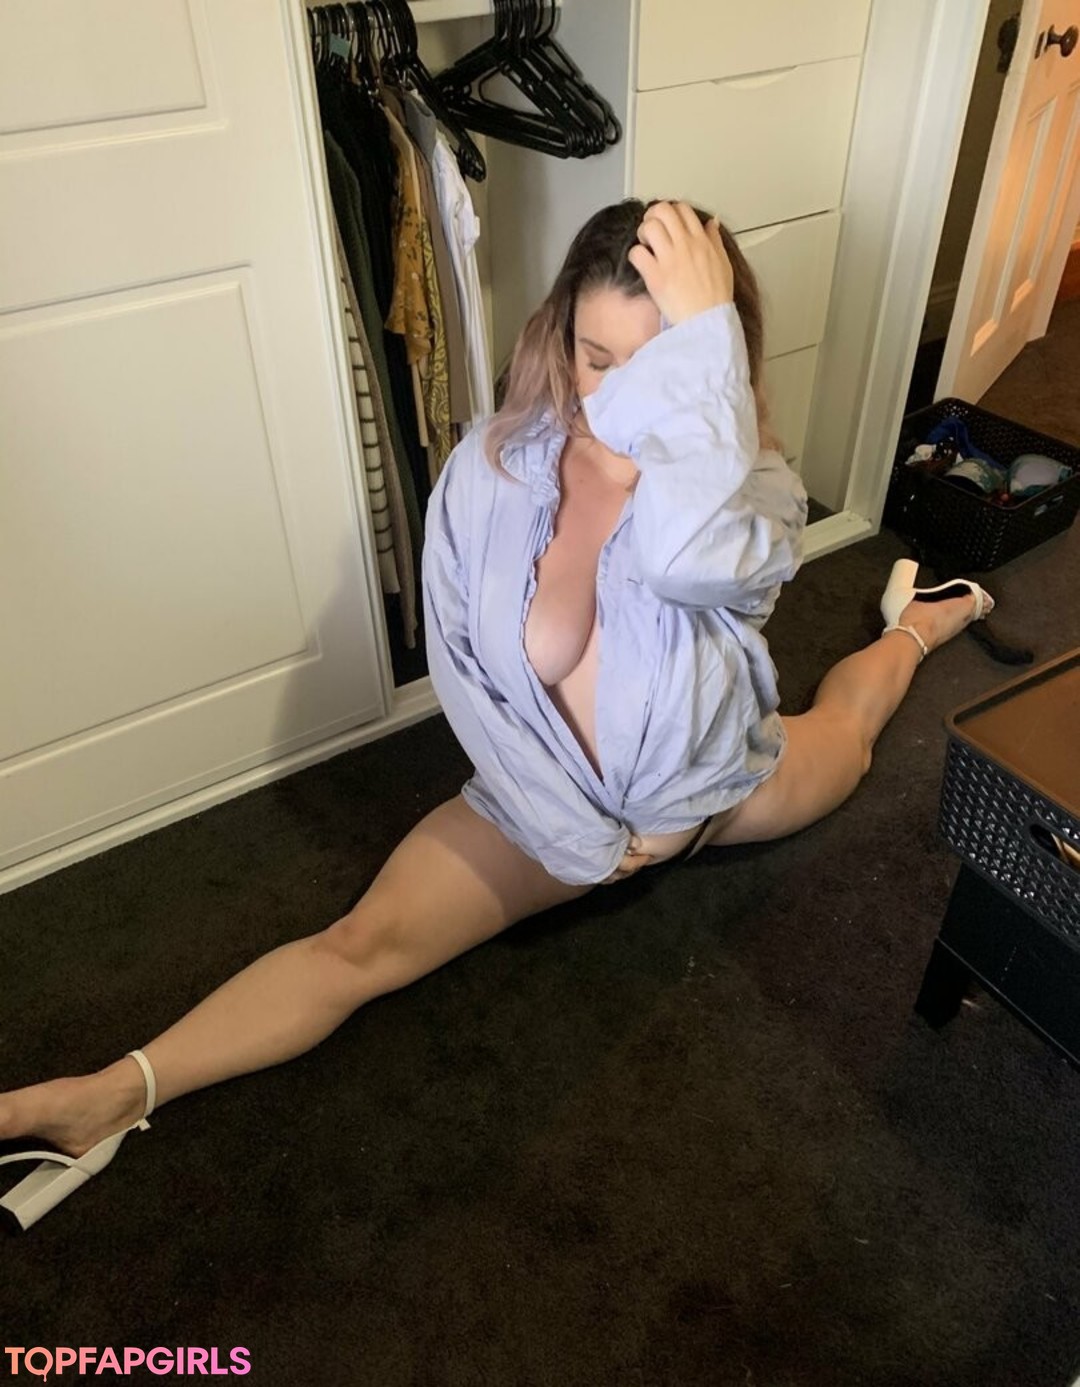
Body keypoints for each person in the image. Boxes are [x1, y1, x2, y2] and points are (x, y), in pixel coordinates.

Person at [0, 200, 993, 1229]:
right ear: (561, 337)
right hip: (540, 811)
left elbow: (682, 560)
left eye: (659, 364)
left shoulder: (757, 492)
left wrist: (704, 357)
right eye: (597, 358)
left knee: (849, 739)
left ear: (713, 362)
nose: (616, 398)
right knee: (357, 945)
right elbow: (464, 669)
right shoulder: (495, 465)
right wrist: (571, 832)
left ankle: (916, 625)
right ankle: (102, 1099)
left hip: (713, 790)